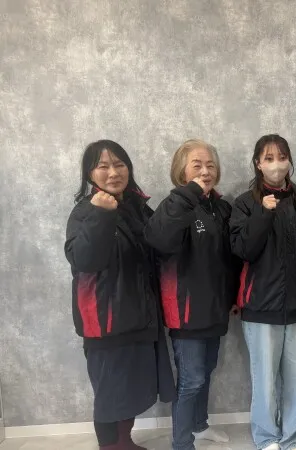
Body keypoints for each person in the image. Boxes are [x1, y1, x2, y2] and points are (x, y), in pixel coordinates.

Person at [65, 140, 175, 450]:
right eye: (103, 166)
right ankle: (111, 446)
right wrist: (101, 215)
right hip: (107, 320)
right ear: (90, 173)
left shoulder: (136, 206)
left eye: (119, 164)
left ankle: (124, 441)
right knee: (110, 393)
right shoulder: (85, 211)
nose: (113, 172)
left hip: (140, 316)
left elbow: (158, 246)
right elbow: (85, 260)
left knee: (132, 389)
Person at [145, 139, 239, 450]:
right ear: (181, 171)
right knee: (191, 380)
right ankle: (181, 442)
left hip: (215, 307)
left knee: (206, 372)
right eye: (197, 165)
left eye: (210, 165)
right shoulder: (173, 206)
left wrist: (233, 297)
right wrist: (188, 196)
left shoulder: (221, 207)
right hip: (185, 310)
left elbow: (228, 259)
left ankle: (199, 426)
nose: (205, 171)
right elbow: (160, 240)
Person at [229, 134, 296, 450]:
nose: (276, 164)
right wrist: (263, 214)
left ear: (289, 160)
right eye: (268, 158)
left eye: (281, 157)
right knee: (265, 380)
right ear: (258, 164)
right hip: (260, 306)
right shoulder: (245, 203)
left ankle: (290, 438)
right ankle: (267, 437)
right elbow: (243, 250)